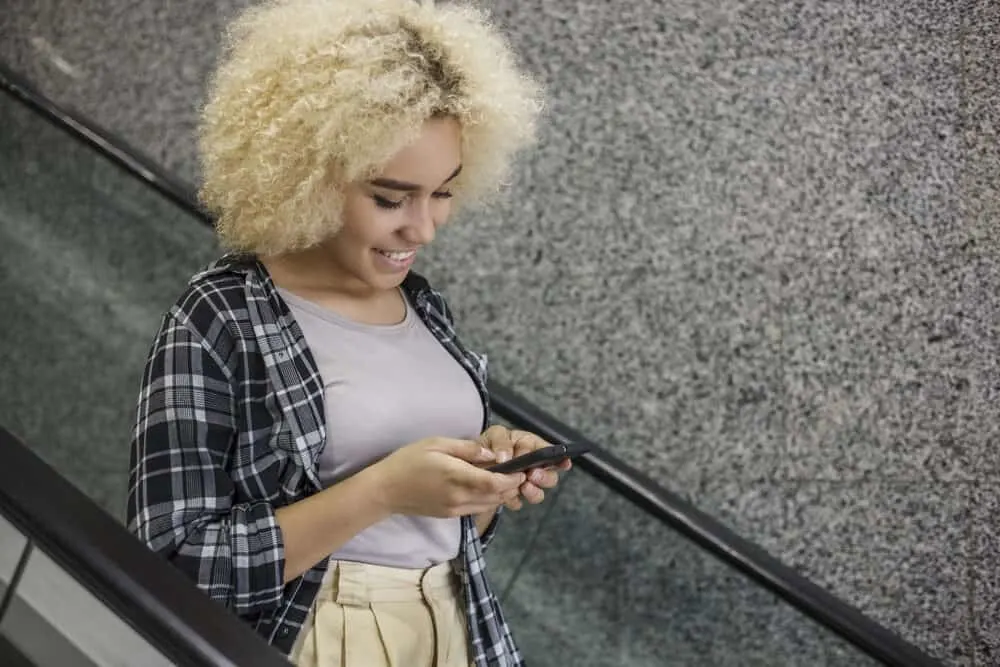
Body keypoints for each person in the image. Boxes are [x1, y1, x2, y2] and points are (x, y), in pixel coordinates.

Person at [126, 1, 565, 666]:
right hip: (316, 637)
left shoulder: (424, 309)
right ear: (305, 173)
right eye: (390, 198)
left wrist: (483, 481)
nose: (422, 228)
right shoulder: (220, 315)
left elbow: (442, 535)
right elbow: (174, 559)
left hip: (457, 626)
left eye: (442, 192)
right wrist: (383, 488)